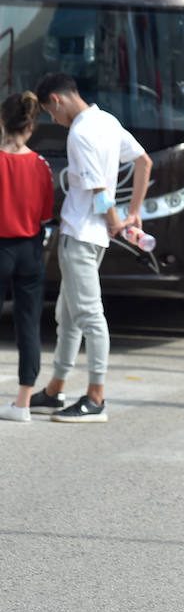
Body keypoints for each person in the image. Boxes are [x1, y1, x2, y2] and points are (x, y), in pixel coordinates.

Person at [27, 73, 152, 423]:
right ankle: (54, 391)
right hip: (90, 238)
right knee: (68, 316)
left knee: (88, 317)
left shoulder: (80, 132)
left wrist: (114, 219)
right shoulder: (107, 121)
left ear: (56, 100)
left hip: (81, 235)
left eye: (51, 113)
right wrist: (134, 213)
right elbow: (144, 162)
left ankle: (95, 399)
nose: (54, 120)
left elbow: (98, 189)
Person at [0, 91, 54, 422]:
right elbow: (46, 213)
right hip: (31, 250)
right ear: (31, 126)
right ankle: (22, 403)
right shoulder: (41, 165)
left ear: (2, 121)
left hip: (1, 246)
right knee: (28, 325)